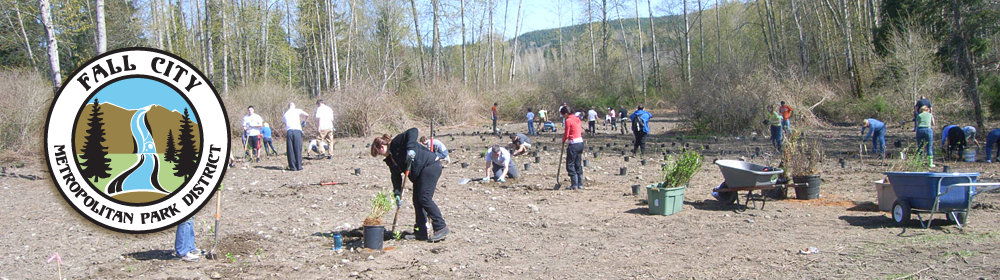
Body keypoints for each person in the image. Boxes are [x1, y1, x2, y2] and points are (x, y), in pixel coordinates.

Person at [371, 128, 449, 242]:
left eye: (378, 153)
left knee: (424, 198)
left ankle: (441, 227)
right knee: (417, 201)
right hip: (419, 174)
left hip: (430, 166)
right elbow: (396, 177)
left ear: (381, 147)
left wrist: (410, 149)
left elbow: (413, 131)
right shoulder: (390, 159)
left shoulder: (396, 143)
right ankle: (420, 232)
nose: (380, 155)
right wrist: (397, 194)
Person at [559, 106, 584, 190]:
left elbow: (567, 133)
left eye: (563, 115)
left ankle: (574, 184)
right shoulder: (577, 119)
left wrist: (563, 140)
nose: (563, 117)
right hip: (580, 142)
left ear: (566, 114)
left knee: (570, 164)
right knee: (577, 163)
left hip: (573, 144)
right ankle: (580, 184)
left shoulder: (568, 120)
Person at [283, 102, 309, 171]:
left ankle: (292, 166)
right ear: (294, 106)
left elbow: (285, 125)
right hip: (297, 130)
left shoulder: (285, 114)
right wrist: (304, 122)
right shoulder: (297, 110)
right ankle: (299, 165)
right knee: (298, 148)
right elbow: (307, 115)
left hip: (289, 131)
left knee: (290, 149)